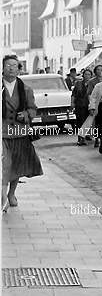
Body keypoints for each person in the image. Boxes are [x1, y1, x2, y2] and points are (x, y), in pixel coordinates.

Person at [2, 55, 44, 212]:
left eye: (14, 65)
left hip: (20, 132)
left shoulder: (26, 89)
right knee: (5, 165)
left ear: (19, 70)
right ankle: (3, 197)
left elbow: (33, 109)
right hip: (3, 133)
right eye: (8, 65)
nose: (11, 68)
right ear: (3, 68)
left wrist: (26, 115)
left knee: (17, 165)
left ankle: (12, 193)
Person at [71, 69, 93, 146]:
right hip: (80, 105)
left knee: (87, 122)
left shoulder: (92, 84)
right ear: (83, 75)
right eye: (86, 74)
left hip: (89, 105)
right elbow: (73, 94)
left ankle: (86, 135)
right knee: (80, 122)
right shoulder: (78, 83)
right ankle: (80, 138)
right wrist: (72, 103)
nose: (87, 76)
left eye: (89, 74)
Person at [86, 64, 102, 146]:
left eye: (101, 69)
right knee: (97, 123)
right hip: (97, 103)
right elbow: (89, 94)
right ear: (95, 71)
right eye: (98, 69)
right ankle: (97, 138)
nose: (100, 71)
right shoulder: (92, 81)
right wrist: (92, 105)